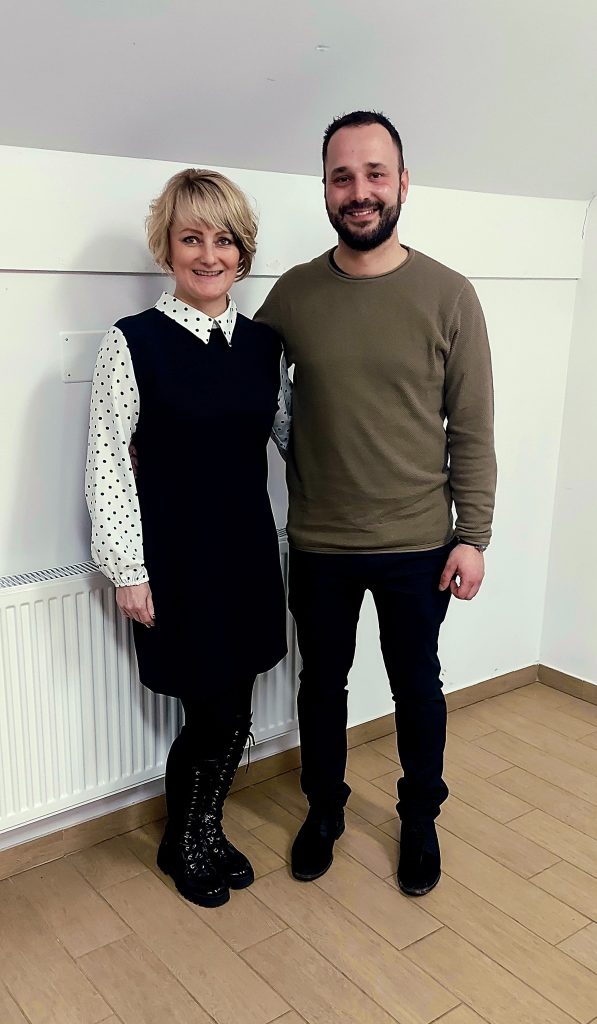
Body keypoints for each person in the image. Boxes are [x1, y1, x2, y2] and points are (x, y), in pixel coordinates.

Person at [257, 110, 496, 896]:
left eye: (373, 174)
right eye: (341, 177)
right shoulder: (293, 296)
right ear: (325, 189)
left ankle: (419, 816)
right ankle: (324, 809)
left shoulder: (449, 295)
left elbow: (472, 426)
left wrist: (473, 535)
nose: (358, 191)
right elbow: (241, 389)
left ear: (401, 183)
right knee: (321, 687)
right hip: (319, 543)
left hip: (418, 544)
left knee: (416, 687)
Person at [86, 168, 289, 908]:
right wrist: (127, 571)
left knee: (236, 706)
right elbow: (108, 460)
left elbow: (297, 439)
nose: (209, 254)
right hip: (178, 561)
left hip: (247, 555)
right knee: (208, 713)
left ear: (243, 251)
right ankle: (183, 840)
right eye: (191, 238)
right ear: (166, 248)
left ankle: (204, 828)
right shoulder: (132, 342)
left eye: (224, 239)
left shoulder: (264, 345)